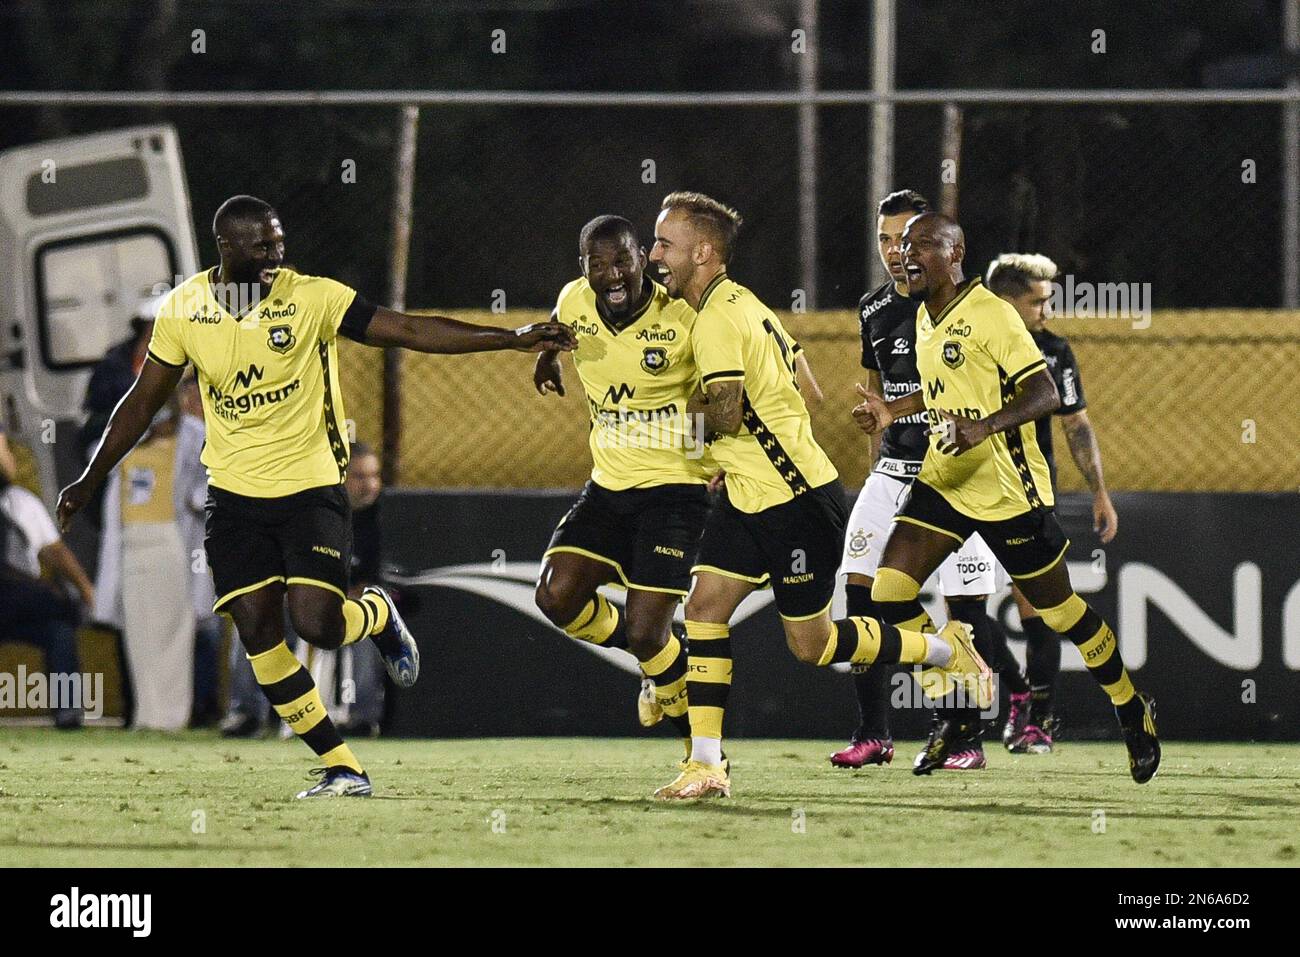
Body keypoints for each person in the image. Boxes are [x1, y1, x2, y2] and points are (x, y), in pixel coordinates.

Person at [57, 194, 576, 798]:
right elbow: (140, 403)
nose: (279, 254)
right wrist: (88, 480)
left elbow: (405, 329)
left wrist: (508, 339)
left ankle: (377, 614)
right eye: (264, 246)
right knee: (257, 632)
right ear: (227, 249)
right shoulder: (184, 310)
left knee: (319, 625)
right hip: (233, 500)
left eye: (281, 242)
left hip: (309, 490)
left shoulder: (312, 297)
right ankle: (343, 766)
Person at [648, 192, 986, 800]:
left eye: (664, 244)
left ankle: (944, 649)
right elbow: (805, 383)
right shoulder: (735, 302)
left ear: (702, 253)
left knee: (815, 645)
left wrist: (656, 421)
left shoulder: (720, 317)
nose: (654, 256)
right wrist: (736, 449)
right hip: (751, 493)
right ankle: (705, 765)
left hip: (796, 501)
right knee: (702, 612)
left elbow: (723, 414)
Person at [853, 212, 1159, 783]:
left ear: (956, 251)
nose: (908, 256)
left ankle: (1128, 705)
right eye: (903, 247)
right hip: (946, 481)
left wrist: (984, 426)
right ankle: (960, 709)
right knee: (889, 592)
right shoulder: (924, 314)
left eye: (923, 246)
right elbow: (939, 389)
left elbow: (1042, 391)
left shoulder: (993, 314)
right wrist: (890, 411)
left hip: (1009, 491)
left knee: (1062, 611)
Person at [532, 215, 709, 766]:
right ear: (582, 267)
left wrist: (712, 455)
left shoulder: (681, 316)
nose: (611, 274)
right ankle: (652, 662)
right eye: (597, 263)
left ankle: (700, 761)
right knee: (555, 598)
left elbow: (716, 393)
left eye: (622, 261)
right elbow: (559, 328)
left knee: (648, 633)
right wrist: (547, 357)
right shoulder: (575, 300)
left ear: (643, 260)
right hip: (608, 488)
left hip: (675, 491)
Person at [985, 253, 1119, 754]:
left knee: (1039, 607)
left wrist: (1099, 490)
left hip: (1028, 493)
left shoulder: (1053, 351)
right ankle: (1016, 690)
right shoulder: (967, 344)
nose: (1047, 309)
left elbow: (1076, 424)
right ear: (1005, 302)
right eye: (1037, 301)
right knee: (964, 610)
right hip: (966, 488)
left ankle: (1039, 719)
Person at [94, 403, 196, 730]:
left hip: (169, 541)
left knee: (175, 635)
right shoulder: (121, 444)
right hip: (131, 545)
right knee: (139, 636)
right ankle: (148, 715)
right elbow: (93, 456)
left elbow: (211, 481)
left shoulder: (193, 438)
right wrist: (133, 435)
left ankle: (173, 717)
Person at [1, 470, 95, 728]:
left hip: (17, 602)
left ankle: (68, 710)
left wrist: (86, 589)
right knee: (58, 608)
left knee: (59, 631)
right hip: (20, 596)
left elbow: (54, 550)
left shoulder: (18, 501)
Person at [175, 370, 223, 727]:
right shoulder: (191, 436)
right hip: (182, 543)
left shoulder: (207, 437)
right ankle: (195, 707)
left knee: (201, 626)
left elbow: (198, 496)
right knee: (197, 626)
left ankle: (199, 706)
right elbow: (196, 496)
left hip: (194, 546)